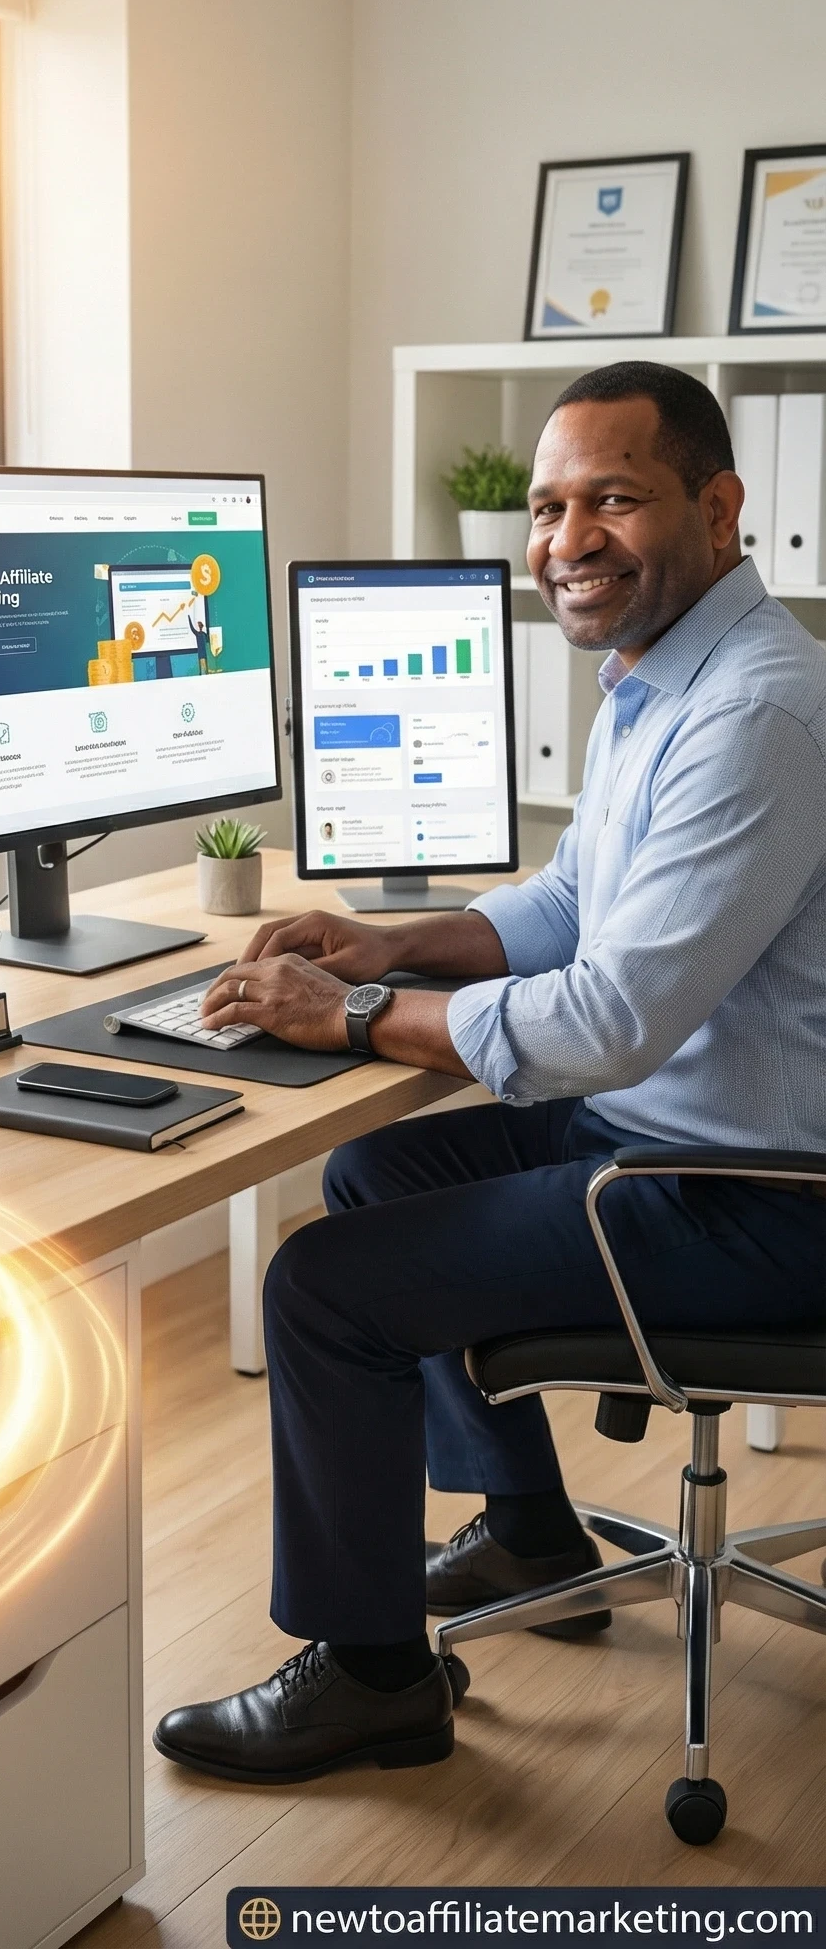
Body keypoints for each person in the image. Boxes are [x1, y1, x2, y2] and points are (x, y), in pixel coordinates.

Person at [155, 362, 826, 1784]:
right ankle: (528, 1527)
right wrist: (394, 941)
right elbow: (577, 903)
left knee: (322, 1291)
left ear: (718, 507)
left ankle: (375, 1677)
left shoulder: (757, 712)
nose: (566, 538)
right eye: (547, 505)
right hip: (679, 1139)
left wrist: (350, 1016)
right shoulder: (659, 674)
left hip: (758, 1198)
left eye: (613, 500)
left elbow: (602, 1021)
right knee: (373, 1170)